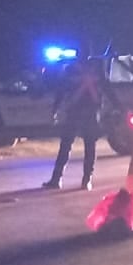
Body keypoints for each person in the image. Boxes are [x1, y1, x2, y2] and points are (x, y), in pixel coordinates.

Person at [43, 58, 108, 190]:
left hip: (88, 112)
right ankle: (60, 179)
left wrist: (56, 109)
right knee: (70, 146)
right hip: (76, 111)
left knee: (84, 147)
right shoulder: (74, 70)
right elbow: (62, 91)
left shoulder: (92, 70)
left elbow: (102, 93)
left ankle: (83, 179)